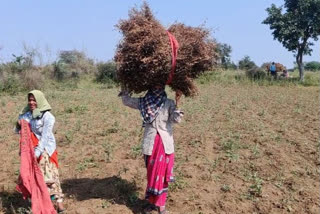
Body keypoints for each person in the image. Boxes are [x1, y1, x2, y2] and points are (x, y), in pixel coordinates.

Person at [119, 87, 184, 214]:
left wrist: (177, 102)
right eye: (155, 85)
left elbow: (176, 120)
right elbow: (126, 101)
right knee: (152, 174)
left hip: (165, 144)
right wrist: (126, 87)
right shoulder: (143, 102)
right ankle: (151, 203)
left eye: (160, 85)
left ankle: (161, 206)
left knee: (163, 175)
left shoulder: (169, 103)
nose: (157, 88)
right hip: (150, 143)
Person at [16, 90, 65, 213]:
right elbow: (18, 130)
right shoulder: (27, 114)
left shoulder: (48, 117)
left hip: (47, 149)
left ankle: (59, 203)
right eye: (30, 100)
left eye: (34, 100)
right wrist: (19, 123)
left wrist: (38, 152)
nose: (32, 102)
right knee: (35, 177)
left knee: (51, 175)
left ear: (40, 101)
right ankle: (40, 201)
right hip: (32, 149)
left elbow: (45, 136)